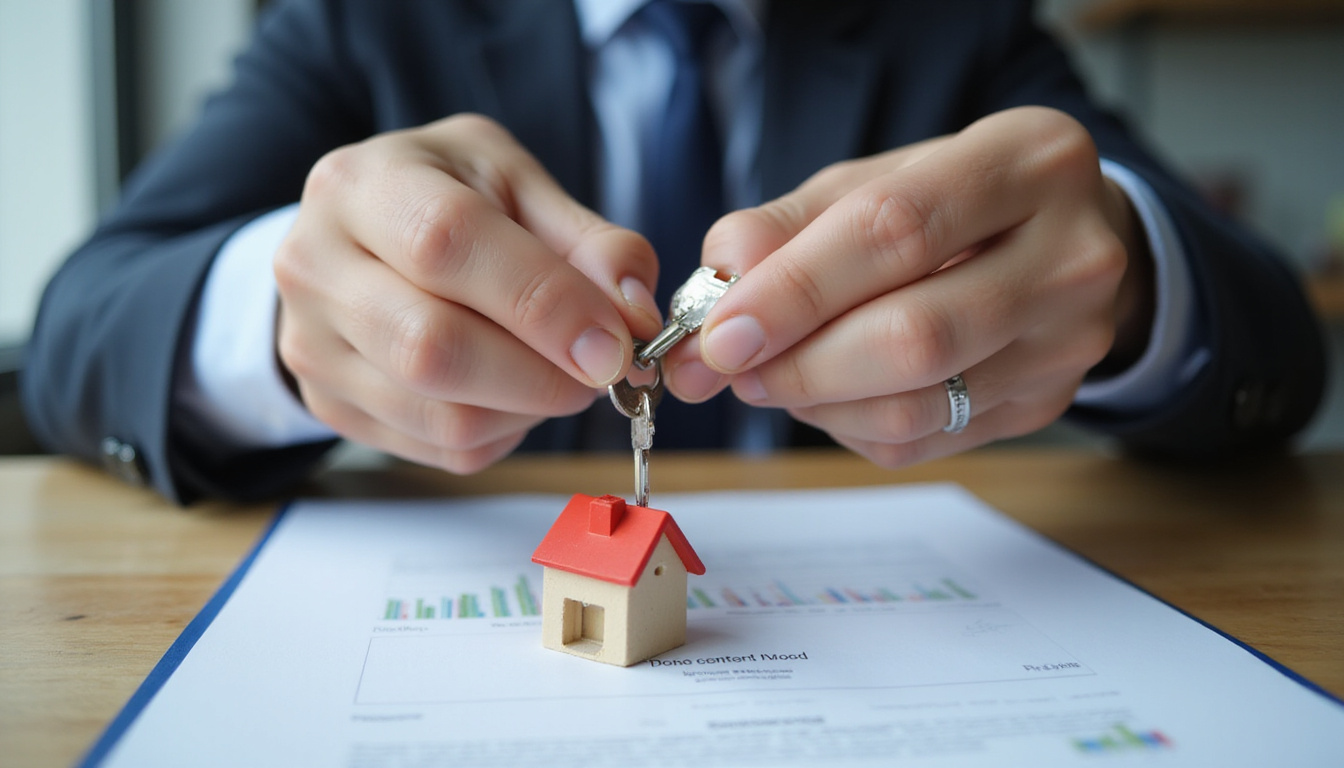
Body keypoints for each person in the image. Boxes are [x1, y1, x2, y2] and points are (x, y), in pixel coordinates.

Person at [21, 0, 1326, 504]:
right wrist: (282, 320)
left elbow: (1271, 336)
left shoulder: (955, 29)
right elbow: (79, 322)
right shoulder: (362, 21)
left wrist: (1134, 276)